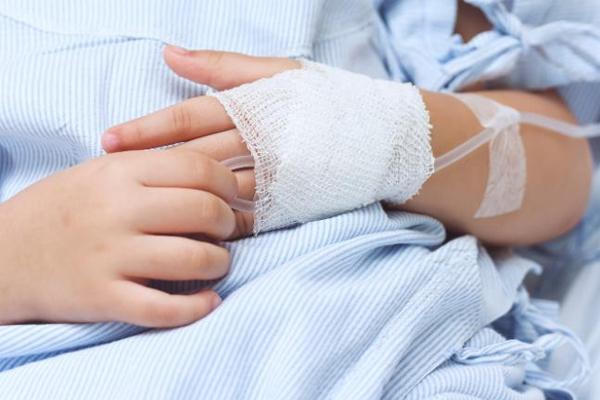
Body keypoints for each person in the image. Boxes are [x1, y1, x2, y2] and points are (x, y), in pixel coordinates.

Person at [0, 0, 597, 398]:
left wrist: (377, 133)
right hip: (67, 364)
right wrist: (18, 258)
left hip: (386, 343)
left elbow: (563, 178)